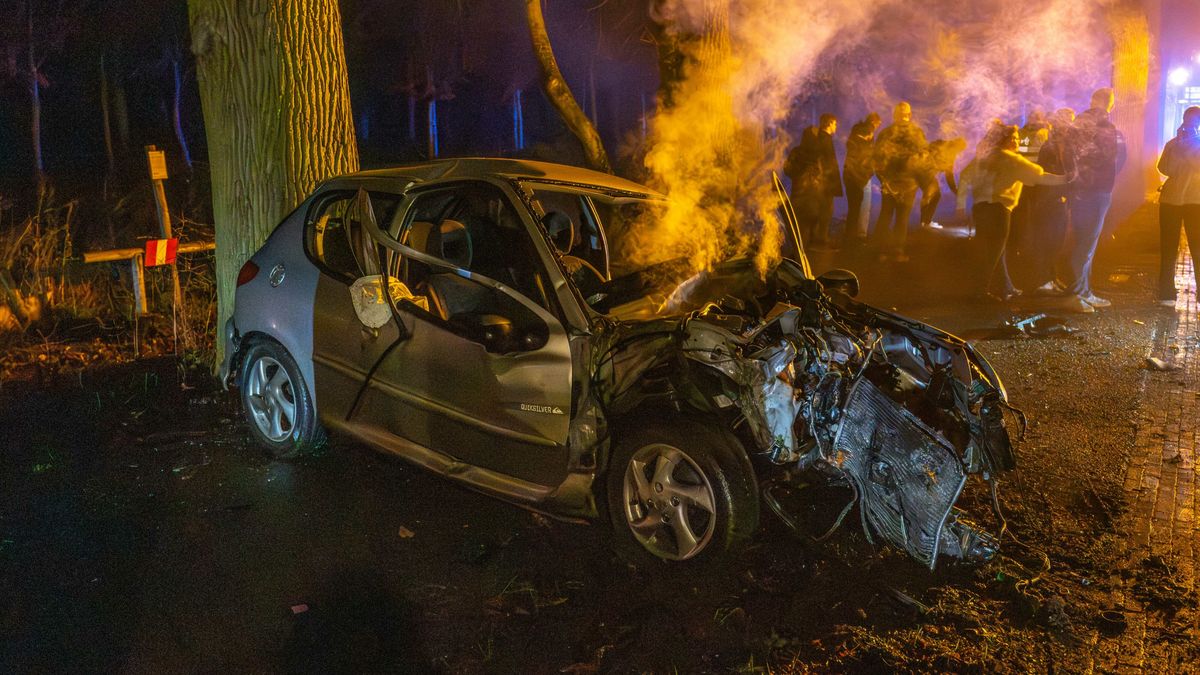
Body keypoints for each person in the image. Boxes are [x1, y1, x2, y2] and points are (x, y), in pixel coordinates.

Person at [958, 122, 1069, 302]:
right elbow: (1039, 176)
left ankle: (1005, 287)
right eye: (1014, 138)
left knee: (996, 251)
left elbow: (964, 176)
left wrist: (960, 206)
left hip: (980, 209)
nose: (1017, 141)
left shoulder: (984, 157)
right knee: (992, 253)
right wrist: (1067, 179)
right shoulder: (1011, 159)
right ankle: (979, 292)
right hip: (998, 210)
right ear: (1004, 140)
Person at [1062, 88, 1126, 312]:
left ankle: (1084, 291)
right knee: (1087, 243)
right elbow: (1114, 157)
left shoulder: (1077, 124)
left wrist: (1074, 179)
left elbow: (1066, 155)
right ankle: (1077, 294)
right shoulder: (1106, 126)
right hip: (1098, 190)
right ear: (1110, 103)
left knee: (1081, 239)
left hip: (1078, 189)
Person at [1027, 108, 1077, 294]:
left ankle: (1050, 277)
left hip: (1057, 200)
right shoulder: (1050, 147)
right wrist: (1064, 184)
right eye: (1069, 120)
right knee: (1048, 240)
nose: (1071, 125)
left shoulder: (1061, 145)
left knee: (1056, 242)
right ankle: (1043, 280)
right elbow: (1048, 174)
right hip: (1049, 201)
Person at [1156, 106, 1200, 307]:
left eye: (1194, 121)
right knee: (1168, 247)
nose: (1190, 124)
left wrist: (1187, 147)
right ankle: (1166, 293)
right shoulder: (1173, 143)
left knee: (1197, 247)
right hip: (1171, 200)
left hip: (1195, 201)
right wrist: (1177, 147)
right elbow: (1165, 168)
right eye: (1188, 120)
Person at [872, 101, 927, 261]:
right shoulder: (915, 133)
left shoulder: (888, 133)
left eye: (903, 114)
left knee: (889, 216)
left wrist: (883, 179)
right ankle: (895, 251)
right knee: (899, 218)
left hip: (896, 183)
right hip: (904, 184)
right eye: (902, 114)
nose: (903, 117)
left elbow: (876, 159)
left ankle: (884, 251)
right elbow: (924, 159)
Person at [785, 113, 842, 247]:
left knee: (805, 218)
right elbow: (828, 165)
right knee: (821, 212)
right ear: (829, 123)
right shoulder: (824, 141)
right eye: (835, 123)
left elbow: (789, 170)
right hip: (818, 187)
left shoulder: (800, 150)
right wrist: (830, 184)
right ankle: (816, 241)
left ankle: (804, 244)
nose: (836, 126)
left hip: (805, 190)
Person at [842, 112, 882, 246]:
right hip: (859, 177)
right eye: (878, 124)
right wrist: (867, 174)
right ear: (874, 122)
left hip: (851, 176)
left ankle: (852, 236)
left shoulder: (854, 134)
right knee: (859, 208)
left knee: (854, 208)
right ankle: (855, 238)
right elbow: (867, 157)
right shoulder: (868, 133)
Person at [916, 137, 967, 229]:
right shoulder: (950, 153)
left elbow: (926, 149)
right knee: (934, 195)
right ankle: (925, 222)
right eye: (960, 150)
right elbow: (949, 175)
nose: (959, 152)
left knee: (931, 195)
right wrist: (955, 190)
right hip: (925, 172)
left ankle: (924, 222)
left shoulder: (941, 143)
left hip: (919, 169)